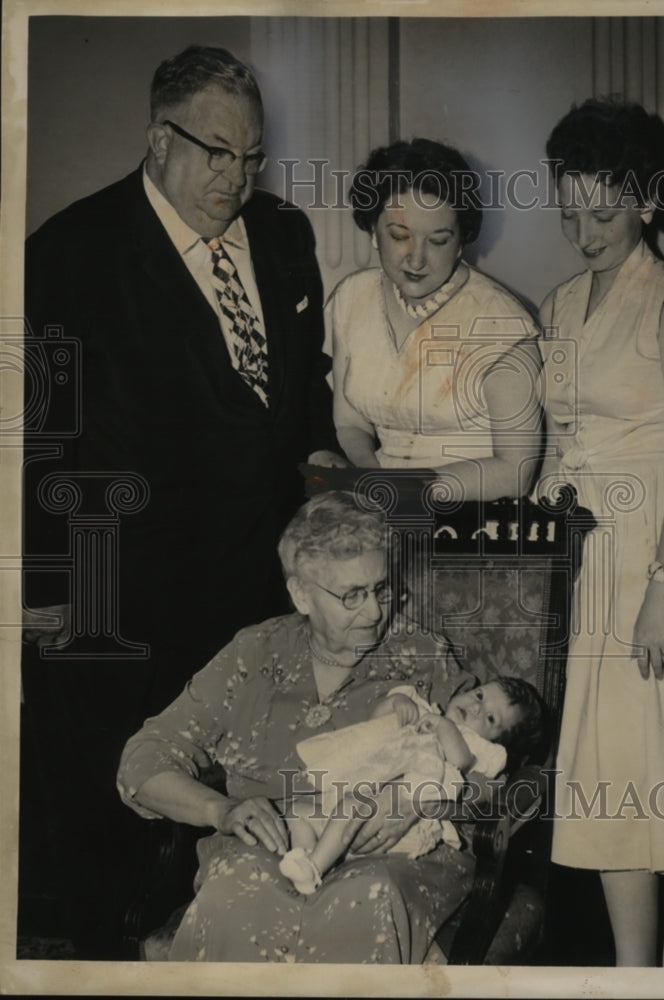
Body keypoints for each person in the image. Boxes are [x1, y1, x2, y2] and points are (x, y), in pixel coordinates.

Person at [21, 45, 343, 957]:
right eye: (215, 152)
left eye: (251, 158)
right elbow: (37, 437)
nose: (235, 179)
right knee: (115, 829)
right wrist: (44, 589)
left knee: (243, 826)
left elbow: (299, 399)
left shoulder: (284, 238)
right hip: (119, 597)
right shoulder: (70, 252)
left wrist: (322, 465)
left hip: (253, 594)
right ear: (158, 138)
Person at [117, 491, 481, 963]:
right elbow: (143, 760)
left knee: (365, 900)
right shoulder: (254, 654)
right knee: (235, 899)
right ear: (301, 594)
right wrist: (221, 811)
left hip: (389, 855)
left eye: (381, 588)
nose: (374, 612)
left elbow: (492, 770)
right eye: (352, 595)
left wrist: (418, 802)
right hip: (268, 848)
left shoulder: (422, 654)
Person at [538, 98, 664, 967]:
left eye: (603, 212)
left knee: (638, 778)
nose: (584, 232)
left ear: (648, 202)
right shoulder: (562, 305)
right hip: (595, 554)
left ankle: (634, 978)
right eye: (570, 212)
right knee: (633, 772)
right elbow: (565, 432)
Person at [326, 138, 543, 503]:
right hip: (383, 507)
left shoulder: (502, 322)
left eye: (438, 241)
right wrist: (371, 475)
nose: (416, 260)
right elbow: (350, 424)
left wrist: (401, 490)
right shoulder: (352, 299)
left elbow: (515, 472)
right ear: (373, 232)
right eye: (399, 236)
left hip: (476, 517)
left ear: (461, 242)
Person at [278, 675, 544, 895]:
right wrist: (395, 702)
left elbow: (460, 761)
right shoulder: (422, 710)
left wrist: (443, 727)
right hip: (350, 804)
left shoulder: (474, 747)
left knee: (351, 806)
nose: (476, 707)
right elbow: (375, 724)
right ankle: (307, 858)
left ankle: (314, 867)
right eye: (479, 696)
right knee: (297, 811)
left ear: (494, 743)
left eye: (490, 719)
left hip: (402, 824)